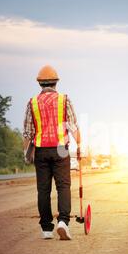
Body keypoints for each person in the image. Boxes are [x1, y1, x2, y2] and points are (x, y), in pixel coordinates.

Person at [23, 65, 81, 240]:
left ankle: (46, 229)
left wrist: (26, 153)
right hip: (60, 148)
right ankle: (63, 222)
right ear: (56, 82)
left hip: (40, 149)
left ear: (40, 83)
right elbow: (73, 126)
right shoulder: (64, 100)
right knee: (63, 186)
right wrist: (79, 146)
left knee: (43, 189)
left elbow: (28, 132)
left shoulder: (32, 102)